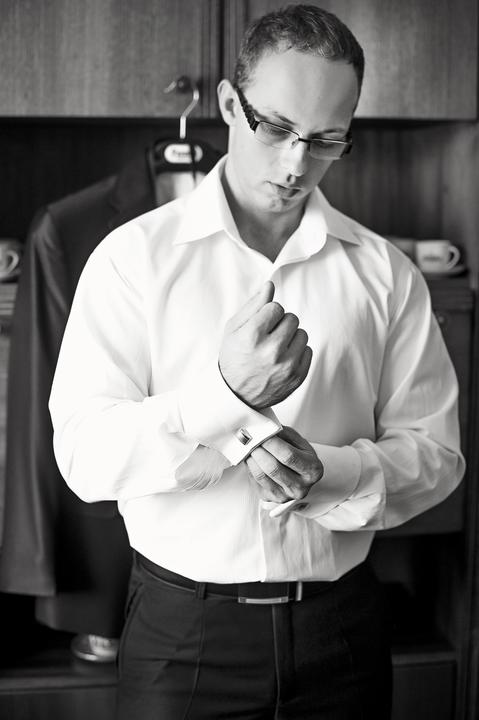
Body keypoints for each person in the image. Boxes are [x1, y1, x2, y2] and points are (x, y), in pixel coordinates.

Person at [49, 4, 465, 718]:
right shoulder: (131, 260)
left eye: (326, 140)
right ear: (226, 105)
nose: (296, 164)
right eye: (274, 127)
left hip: (343, 632)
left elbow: (437, 457)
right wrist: (224, 397)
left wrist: (330, 474)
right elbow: (84, 457)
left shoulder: (386, 274)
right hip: (182, 638)